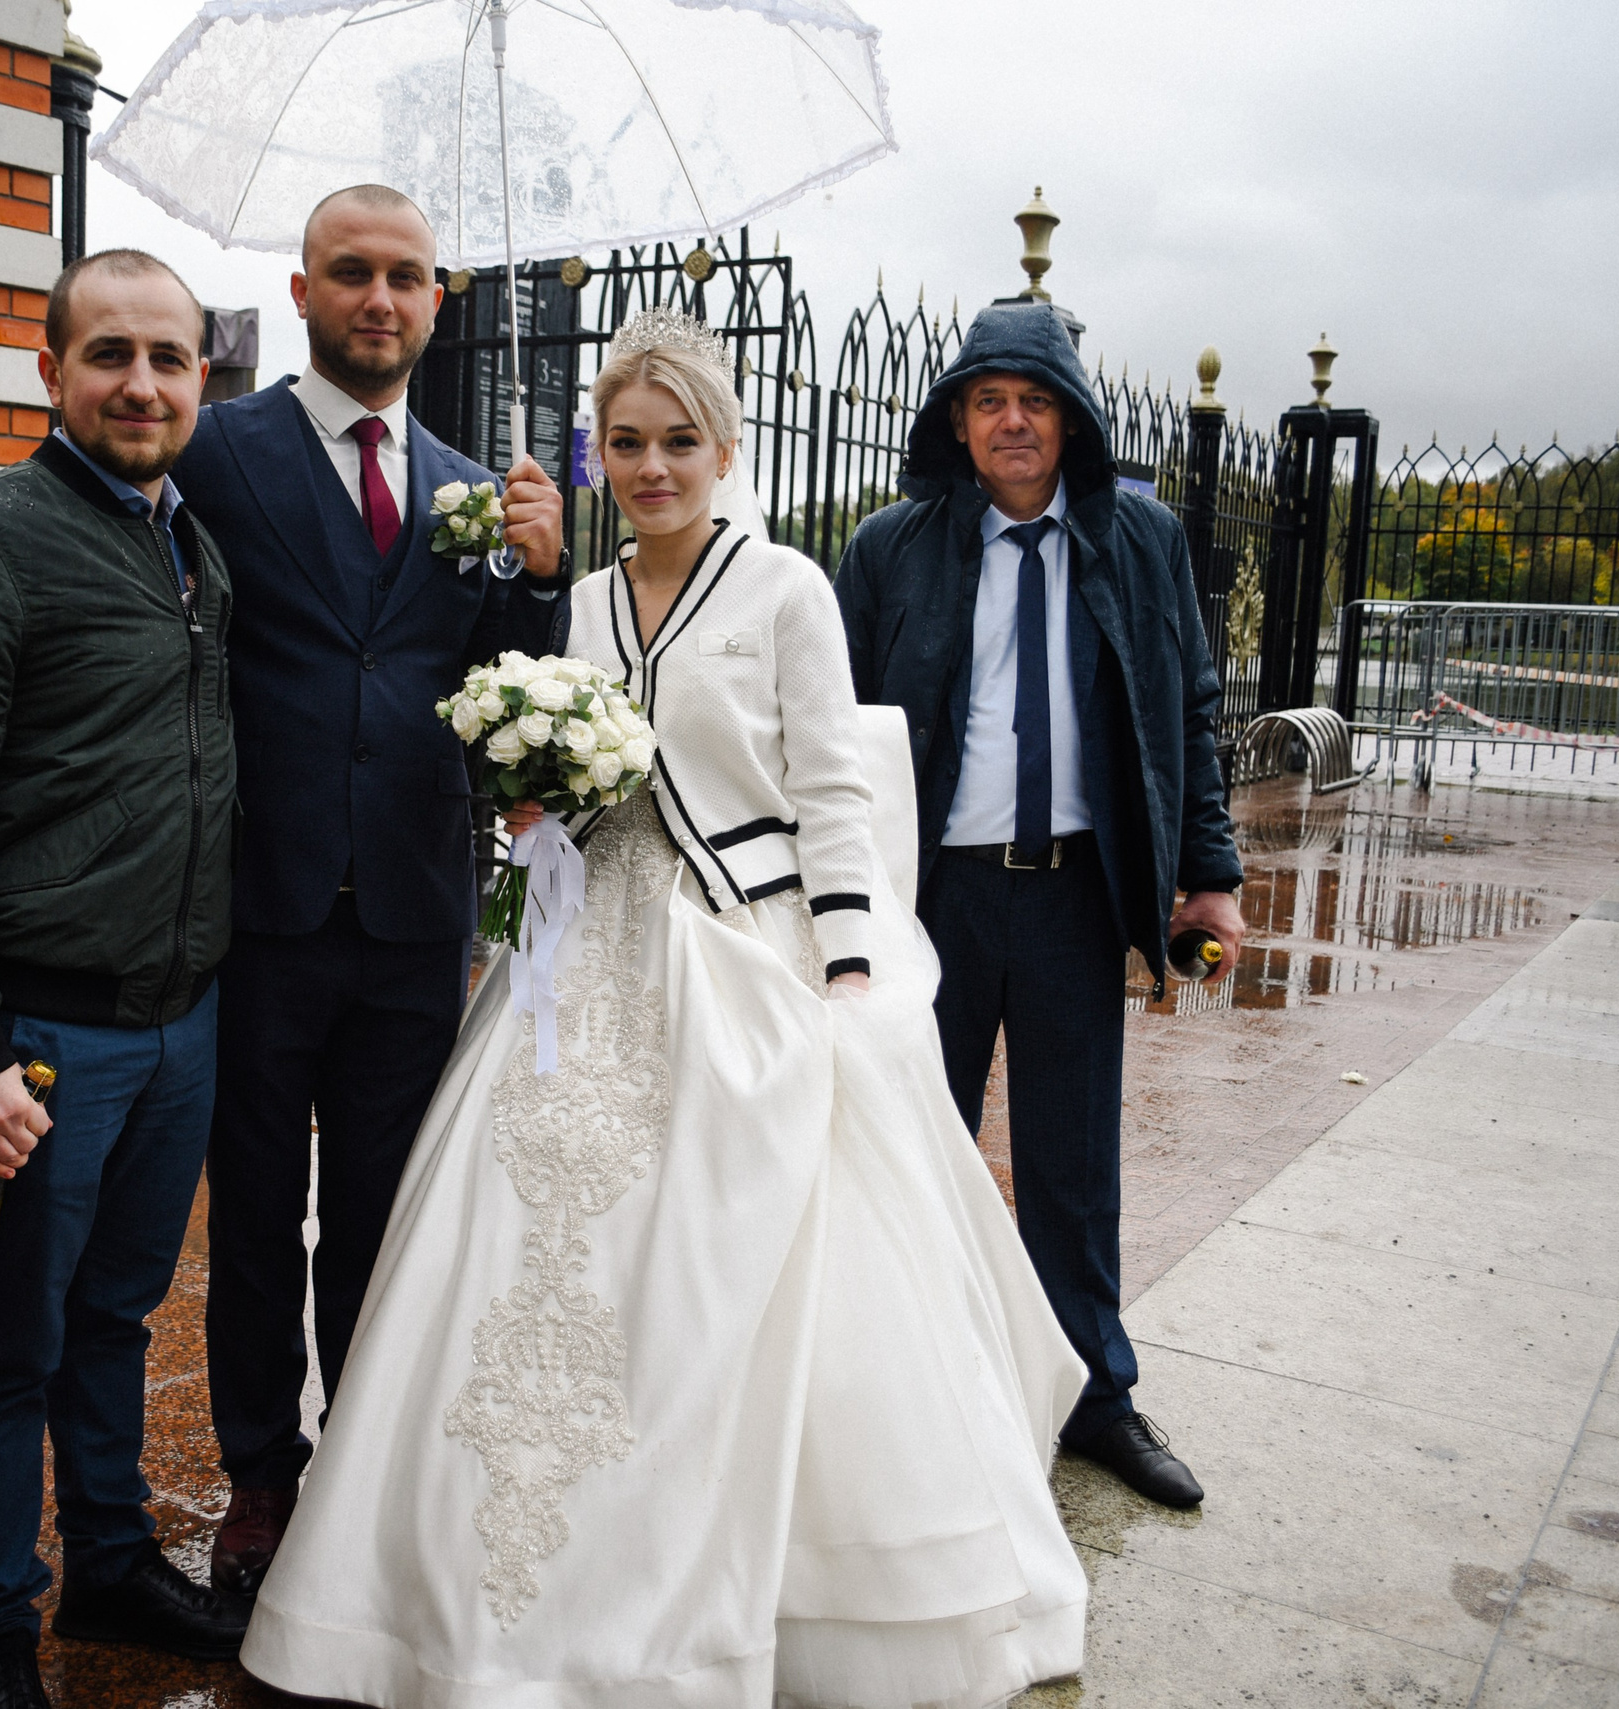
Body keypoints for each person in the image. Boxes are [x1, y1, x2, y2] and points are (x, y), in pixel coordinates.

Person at [236, 309, 1089, 1709]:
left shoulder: (788, 590)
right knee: (523, 1239)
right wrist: (532, 793)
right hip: (580, 958)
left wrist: (851, 966)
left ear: (725, 445)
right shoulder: (575, 600)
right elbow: (564, 792)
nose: (651, 466)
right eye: (625, 443)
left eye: (678, 441)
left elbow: (828, 789)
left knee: (722, 1256)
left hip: (739, 954)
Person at [0, 249, 251, 1709]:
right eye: (110, 355)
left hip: (179, 1024)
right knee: (5, 1339)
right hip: (32, 1035)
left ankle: (112, 1561)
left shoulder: (193, 547)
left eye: (170, 357)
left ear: (205, 377)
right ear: (52, 372)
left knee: (116, 1316)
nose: (141, 383)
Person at [172, 183, 570, 1596]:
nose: (380, 299)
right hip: (260, 910)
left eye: (406, 276)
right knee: (260, 1210)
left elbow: (505, 693)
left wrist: (535, 578)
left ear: (438, 302)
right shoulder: (219, 450)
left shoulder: (475, 487)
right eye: (352, 272)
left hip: (414, 917)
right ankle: (263, 1479)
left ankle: (365, 1457)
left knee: (387, 1217)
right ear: (302, 291)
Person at [833, 299, 1247, 1510]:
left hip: (1073, 894)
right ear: (957, 423)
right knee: (913, 1150)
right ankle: (914, 1387)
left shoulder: (1142, 538)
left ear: (1070, 419)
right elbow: (831, 731)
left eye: (1035, 400)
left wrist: (1208, 872)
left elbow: (1189, 708)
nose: (1012, 421)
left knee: (1070, 1166)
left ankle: (1092, 1396)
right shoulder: (889, 548)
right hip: (933, 902)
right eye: (988, 401)